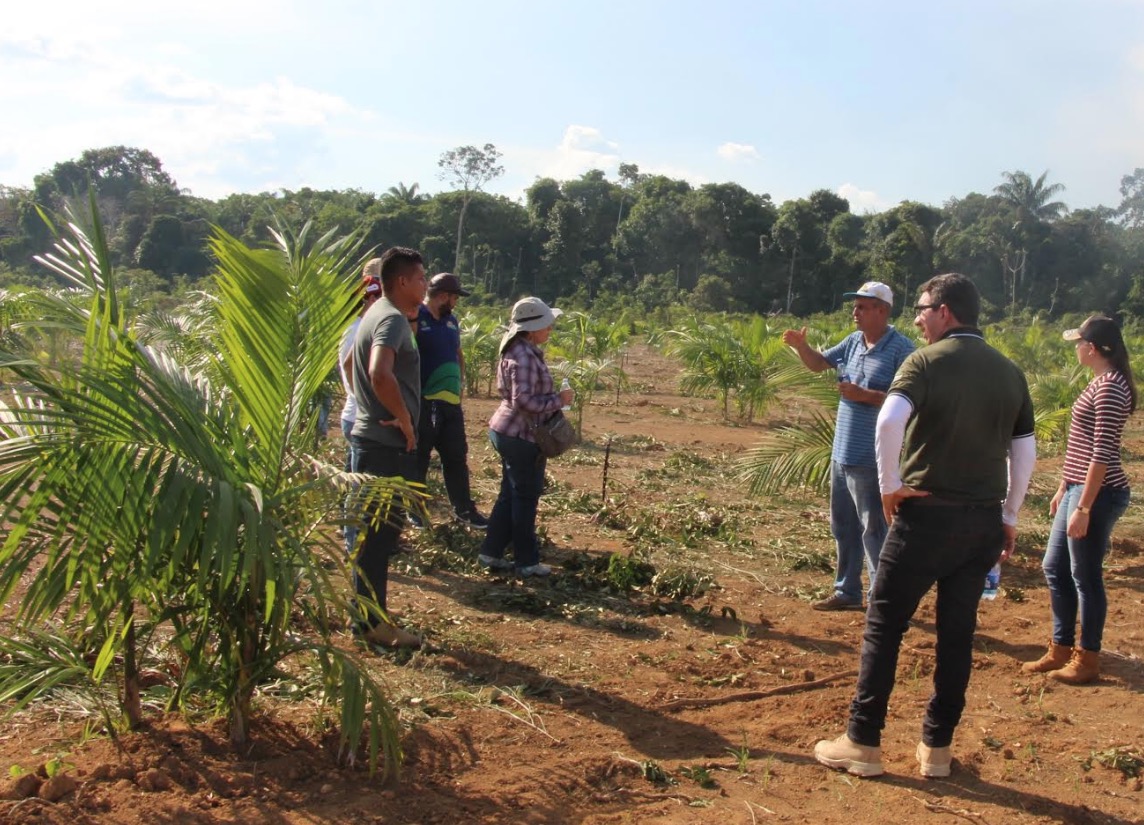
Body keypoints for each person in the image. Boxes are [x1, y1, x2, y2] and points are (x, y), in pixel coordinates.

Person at [814, 273, 1036, 779]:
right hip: (980, 521)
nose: (916, 317)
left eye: (922, 308)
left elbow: (891, 421)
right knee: (957, 634)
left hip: (925, 517)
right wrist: (1008, 516)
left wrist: (890, 484)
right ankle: (936, 750)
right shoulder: (1009, 371)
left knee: (884, 625)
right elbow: (1025, 452)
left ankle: (863, 742)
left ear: (946, 311)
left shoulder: (923, 361)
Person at [782, 281, 915, 611]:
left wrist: (865, 396)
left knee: (874, 529)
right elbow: (818, 364)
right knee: (843, 526)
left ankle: (880, 598)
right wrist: (802, 347)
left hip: (872, 457)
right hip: (842, 453)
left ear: (882, 311)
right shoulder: (854, 341)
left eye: (862, 307)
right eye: (854, 306)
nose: (854, 312)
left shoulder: (902, 350)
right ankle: (847, 591)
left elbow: (912, 401)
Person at [1022, 315, 1135, 685]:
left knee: (1084, 575)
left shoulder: (1110, 388)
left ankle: (1087, 657)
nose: (1075, 348)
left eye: (1079, 342)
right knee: (1055, 568)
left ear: (1093, 347)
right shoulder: (1100, 382)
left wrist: (1084, 506)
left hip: (1098, 495)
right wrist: (1063, 488)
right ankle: (1060, 647)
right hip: (1078, 490)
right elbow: (1082, 448)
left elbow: (1102, 454)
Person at [349, 247, 427, 649]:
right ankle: (371, 625)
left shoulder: (374, 314)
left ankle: (369, 619)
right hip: (384, 446)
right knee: (378, 539)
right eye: (421, 279)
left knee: (373, 538)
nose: (425, 285)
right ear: (401, 281)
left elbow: (353, 365)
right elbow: (379, 372)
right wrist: (404, 417)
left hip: (372, 441)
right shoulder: (393, 319)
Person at [479, 297, 574, 578]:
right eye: (547, 325)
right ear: (532, 328)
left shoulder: (518, 350)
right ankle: (526, 561)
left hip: (506, 430)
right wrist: (558, 400)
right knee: (525, 498)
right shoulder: (524, 357)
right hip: (521, 436)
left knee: (509, 495)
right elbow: (524, 401)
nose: (550, 330)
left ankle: (491, 552)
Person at [414, 273, 488, 528]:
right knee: (420, 457)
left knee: (456, 456)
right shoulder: (416, 317)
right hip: (425, 401)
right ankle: (416, 510)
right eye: (454, 297)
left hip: (450, 402)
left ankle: (464, 510)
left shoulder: (451, 322)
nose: (455, 303)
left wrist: (461, 382)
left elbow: (458, 353)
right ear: (442, 296)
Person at [337, 264, 382, 553]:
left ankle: (348, 529)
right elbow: (351, 369)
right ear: (366, 300)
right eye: (376, 298)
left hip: (359, 415)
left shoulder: (363, 328)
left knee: (355, 478)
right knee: (360, 486)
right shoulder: (356, 331)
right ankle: (355, 543)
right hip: (359, 416)